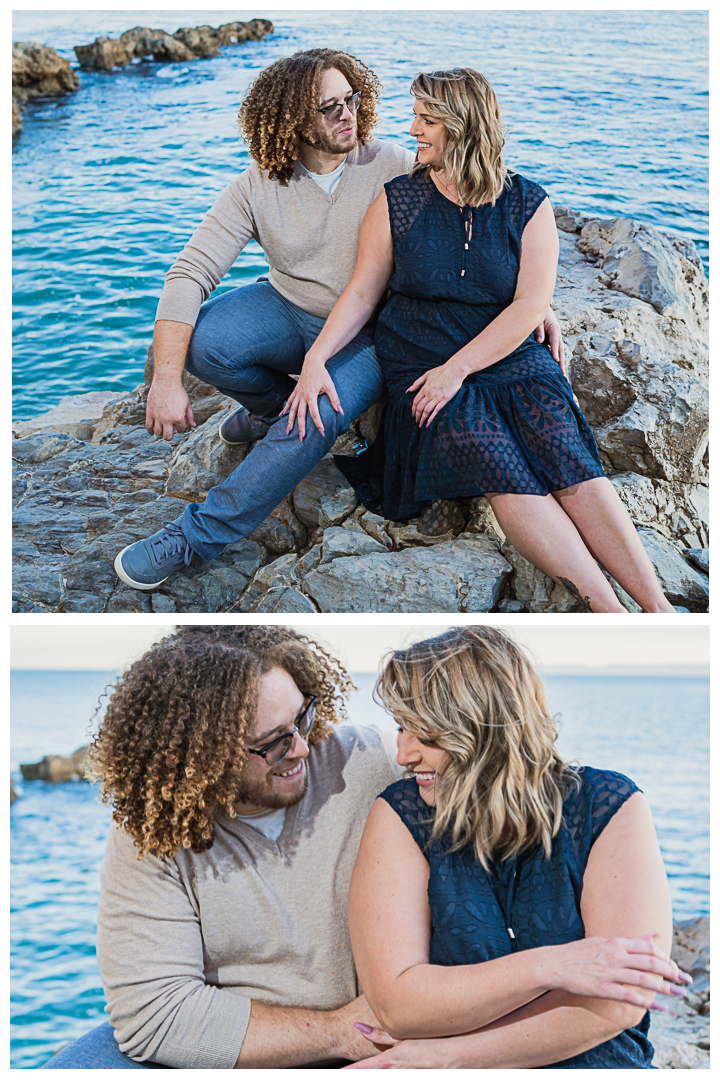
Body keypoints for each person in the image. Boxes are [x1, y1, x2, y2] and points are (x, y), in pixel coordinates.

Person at [43, 626, 686, 1070]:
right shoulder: (150, 833)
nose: (303, 747)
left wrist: (429, 1049)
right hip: (256, 1041)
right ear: (199, 759)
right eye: (272, 741)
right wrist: (341, 1034)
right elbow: (154, 1015)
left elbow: (619, 994)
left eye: (304, 717)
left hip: (399, 1038)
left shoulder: (367, 765)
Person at [113, 50, 563, 592]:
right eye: (331, 107)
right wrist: (164, 381)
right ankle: (268, 409)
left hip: (374, 332)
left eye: (352, 99)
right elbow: (188, 272)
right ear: (290, 121)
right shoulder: (255, 186)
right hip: (286, 306)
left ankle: (196, 535)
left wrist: (536, 302)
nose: (348, 114)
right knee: (206, 343)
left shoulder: (395, 163)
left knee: (313, 419)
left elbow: (478, 213)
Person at [285, 69, 676, 613]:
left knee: (568, 458)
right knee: (499, 465)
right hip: (424, 358)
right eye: (416, 116)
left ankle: (658, 611)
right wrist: (316, 358)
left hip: (507, 353)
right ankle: (609, 613)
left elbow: (529, 306)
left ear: (463, 127)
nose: (413, 128)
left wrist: (462, 368)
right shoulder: (398, 202)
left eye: (426, 119)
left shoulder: (527, 204)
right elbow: (361, 293)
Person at [344, 626, 687, 1069]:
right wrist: (553, 966)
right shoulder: (402, 814)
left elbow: (622, 1000)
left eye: (424, 734)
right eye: (400, 728)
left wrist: (446, 1056)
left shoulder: (608, 804)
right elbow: (399, 1005)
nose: (404, 753)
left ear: (480, 725)